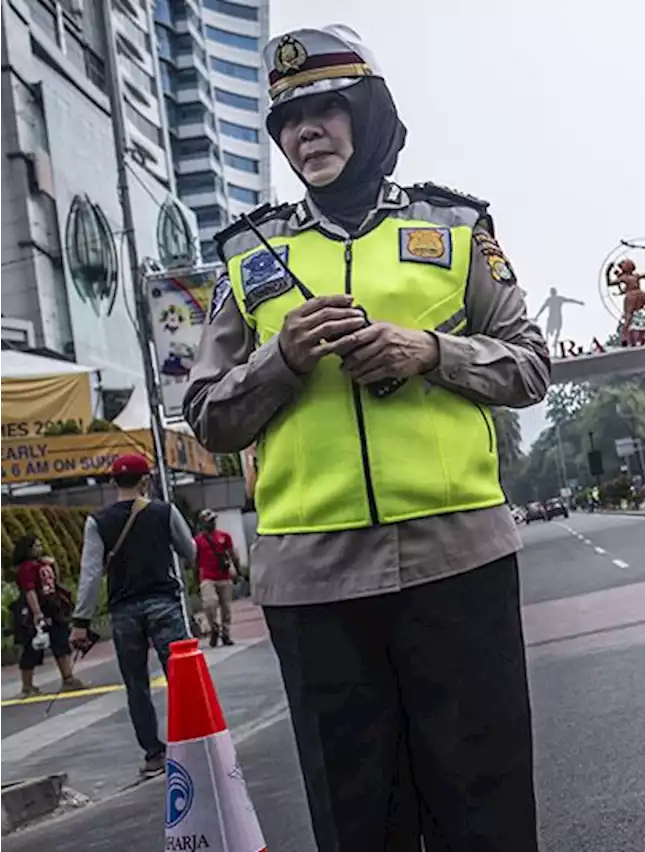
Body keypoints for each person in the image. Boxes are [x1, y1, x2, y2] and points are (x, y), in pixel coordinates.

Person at [182, 25, 550, 852]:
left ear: (370, 113)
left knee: (484, 808)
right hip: (313, 583)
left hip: (459, 562)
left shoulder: (455, 228)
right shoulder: (248, 257)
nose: (304, 130)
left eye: (324, 108)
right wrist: (281, 359)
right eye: (287, 119)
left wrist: (431, 351)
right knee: (357, 821)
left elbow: (531, 365)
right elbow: (206, 414)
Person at [71, 454, 196, 777]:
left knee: (136, 684)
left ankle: (154, 755)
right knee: (181, 677)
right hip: (163, 603)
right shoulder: (164, 511)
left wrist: (81, 622)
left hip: (124, 611)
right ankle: (196, 744)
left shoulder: (97, 522)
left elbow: (89, 575)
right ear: (146, 479)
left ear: (113, 481)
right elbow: (190, 552)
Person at [11, 535, 85, 697]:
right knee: (32, 648)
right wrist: (37, 613)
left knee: (61, 642)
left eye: (39, 545)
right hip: (36, 610)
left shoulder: (42, 564)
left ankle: (68, 677)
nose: (39, 548)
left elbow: (53, 583)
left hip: (53, 607)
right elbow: (29, 591)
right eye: (35, 546)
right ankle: (27, 685)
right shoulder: (26, 569)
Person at [194, 509, 241, 647]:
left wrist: (237, 571)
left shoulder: (224, 536)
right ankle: (214, 628)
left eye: (213, 520)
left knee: (226, 607)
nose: (212, 523)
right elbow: (195, 562)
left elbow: (232, 554)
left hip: (224, 576)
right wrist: (197, 579)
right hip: (207, 577)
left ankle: (226, 633)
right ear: (203, 523)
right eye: (209, 521)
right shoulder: (197, 540)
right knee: (210, 603)